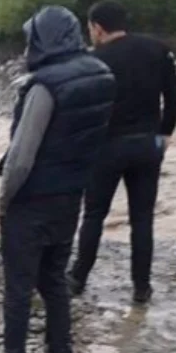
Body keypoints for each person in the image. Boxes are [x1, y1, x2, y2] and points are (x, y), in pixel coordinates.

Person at [0, 6, 116, 353]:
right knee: (54, 279)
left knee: (19, 288)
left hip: (33, 201)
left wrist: (3, 200)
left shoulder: (45, 85)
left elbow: (21, 158)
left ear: (44, 39)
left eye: (33, 37)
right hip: (71, 196)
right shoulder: (101, 74)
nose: (29, 44)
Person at [68, 0, 176, 304]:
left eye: (90, 28)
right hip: (147, 145)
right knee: (142, 219)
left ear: (98, 27)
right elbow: (173, 96)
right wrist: (165, 133)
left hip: (107, 147)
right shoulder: (159, 50)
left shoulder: (94, 60)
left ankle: (77, 279)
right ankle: (141, 288)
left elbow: (84, 109)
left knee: (94, 215)